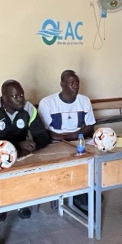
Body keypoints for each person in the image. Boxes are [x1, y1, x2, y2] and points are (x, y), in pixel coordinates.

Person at [0, 80, 50, 219]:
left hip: (21, 154)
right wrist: (17, 145)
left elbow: (42, 135)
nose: (20, 99)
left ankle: (20, 202)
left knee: (26, 168)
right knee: (1, 172)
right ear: (4, 98)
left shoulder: (29, 108)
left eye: (22, 95)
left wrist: (33, 145)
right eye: (15, 96)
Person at [38, 69, 96, 211]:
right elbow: (42, 131)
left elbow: (90, 125)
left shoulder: (84, 100)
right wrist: (65, 138)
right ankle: (74, 194)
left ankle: (84, 192)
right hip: (56, 143)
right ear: (62, 84)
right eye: (71, 83)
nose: (75, 85)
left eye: (77, 82)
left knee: (90, 162)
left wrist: (74, 136)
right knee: (65, 165)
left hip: (78, 141)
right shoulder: (48, 103)